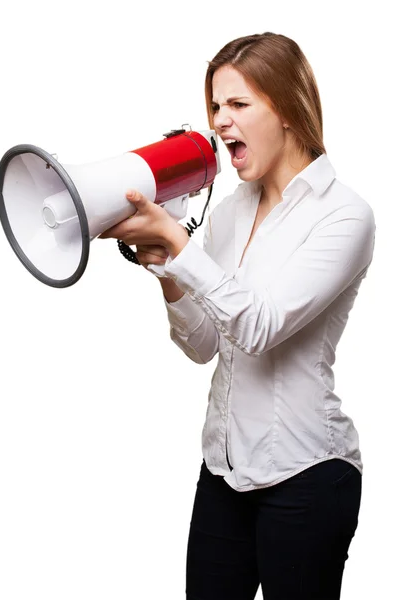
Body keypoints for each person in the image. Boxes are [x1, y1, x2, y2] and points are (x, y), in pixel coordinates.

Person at [99, 32, 376, 600]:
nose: (220, 122)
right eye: (216, 107)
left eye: (239, 105)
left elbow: (259, 326)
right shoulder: (229, 212)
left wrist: (177, 240)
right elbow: (203, 343)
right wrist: (169, 270)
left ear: (289, 109)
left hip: (307, 475)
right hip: (222, 471)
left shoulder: (344, 216)